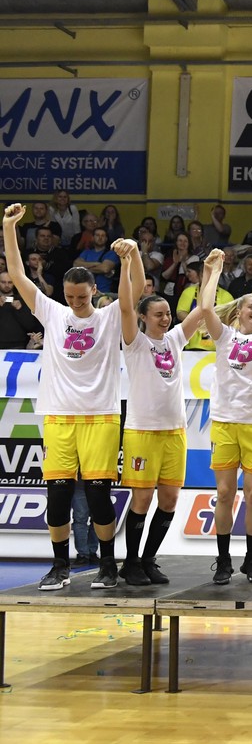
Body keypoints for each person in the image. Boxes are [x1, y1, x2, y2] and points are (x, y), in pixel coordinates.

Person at [3, 204, 121, 590]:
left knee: (100, 498)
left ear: (94, 292)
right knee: (57, 497)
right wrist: (8, 228)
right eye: (69, 295)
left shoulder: (107, 317)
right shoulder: (52, 313)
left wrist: (131, 257)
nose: (74, 302)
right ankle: (59, 566)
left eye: (81, 297)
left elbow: (134, 289)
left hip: (100, 418)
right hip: (58, 418)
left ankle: (107, 565)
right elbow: (18, 275)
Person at [113, 240, 221, 586]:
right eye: (158, 314)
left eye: (167, 313)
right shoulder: (134, 342)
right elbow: (126, 308)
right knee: (142, 498)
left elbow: (203, 311)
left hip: (174, 430)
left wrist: (210, 271)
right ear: (144, 318)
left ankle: (148, 560)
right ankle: (129, 563)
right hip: (142, 430)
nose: (165, 318)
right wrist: (128, 262)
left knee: (170, 498)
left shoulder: (175, 339)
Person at [200, 284, 252, 584]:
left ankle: (251, 559)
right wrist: (214, 273)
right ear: (239, 312)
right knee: (224, 493)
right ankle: (223, 561)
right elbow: (206, 308)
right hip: (224, 421)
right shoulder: (225, 335)